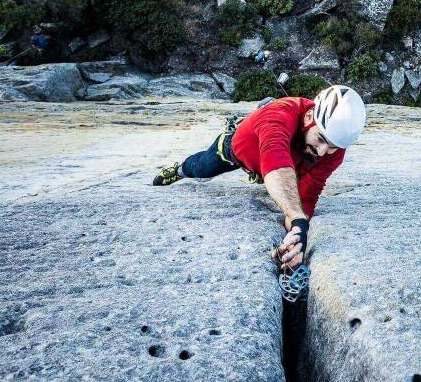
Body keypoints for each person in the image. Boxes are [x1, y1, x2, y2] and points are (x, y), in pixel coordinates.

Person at [152, 85, 365, 273]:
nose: (321, 152)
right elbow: (276, 162)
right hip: (235, 152)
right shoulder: (279, 113)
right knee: (202, 169)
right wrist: (298, 219)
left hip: (272, 168)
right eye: (320, 139)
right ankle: (179, 170)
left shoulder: (334, 148)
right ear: (309, 117)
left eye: (332, 147)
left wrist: (295, 236)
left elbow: (308, 195)